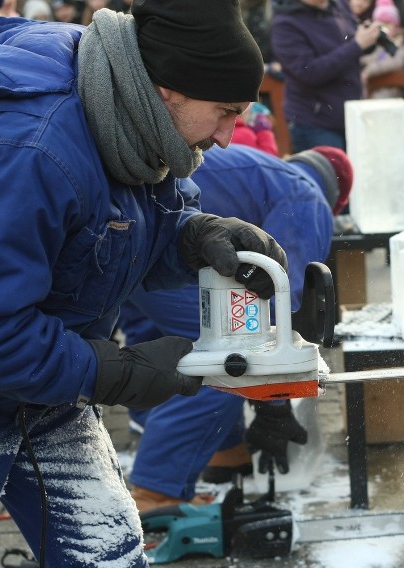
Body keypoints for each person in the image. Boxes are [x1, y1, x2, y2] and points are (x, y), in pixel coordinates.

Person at [0, 1, 292, 565]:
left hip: (47, 374)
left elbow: (111, 235)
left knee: (109, 556)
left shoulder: (134, 124)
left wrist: (194, 237)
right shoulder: (25, 149)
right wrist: (115, 372)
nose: (229, 136)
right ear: (166, 88)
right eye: (224, 112)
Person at [117, 143, 350, 512]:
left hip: (127, 237)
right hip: (169, 246)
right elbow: (276, 293)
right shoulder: (308, 196)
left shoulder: (266, 171)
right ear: (337, 200)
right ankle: (157, 489)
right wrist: (272, 396)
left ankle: (220, 452)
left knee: (153, 344)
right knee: (224, 361)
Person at [270, 0, 383, 153]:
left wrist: (369, 39)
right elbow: (309, 72)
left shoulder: (339, 5)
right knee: (328, 176)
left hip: (350, 114)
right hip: (314, 122)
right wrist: (357, 45)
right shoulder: (285, 23)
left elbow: (348, 44)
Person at [360, 0, 404, 100]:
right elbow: (368, 57)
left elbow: (396, 62)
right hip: (371, 92)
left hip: (391, 93)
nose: (385, 28)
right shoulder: (376, 44)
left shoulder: (401, 45)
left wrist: (369, 70)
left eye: (388, 23)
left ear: (396, 25)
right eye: (382, 25)